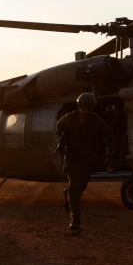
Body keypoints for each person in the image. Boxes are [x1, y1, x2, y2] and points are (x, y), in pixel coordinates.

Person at [55, 93, 116, 232]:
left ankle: (68, 194)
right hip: (71, 158)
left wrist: (109, 157)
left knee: (81, 186)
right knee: (75, 185)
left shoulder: (96, 120)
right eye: (84, 108)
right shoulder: (69, 118)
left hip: (86, 160)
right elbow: (59, 127)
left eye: (90, 109)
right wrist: (61, 138)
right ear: (79, 107)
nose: (87, 111)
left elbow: (110, 137)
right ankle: (75, 220)